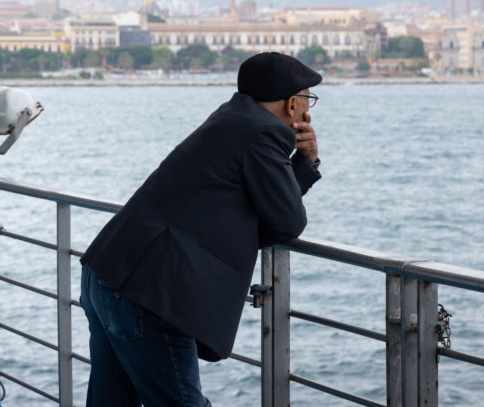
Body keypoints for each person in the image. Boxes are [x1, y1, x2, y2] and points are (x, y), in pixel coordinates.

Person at [80, 51, 322, 406]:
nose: (307, 109)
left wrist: (301, 166)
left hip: (109, 273)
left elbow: (261, 205)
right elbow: (288, 221)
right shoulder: (264, 133)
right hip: (149, 293)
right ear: (291, 104)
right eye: (307, 98)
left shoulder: (231, 119)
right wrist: (307, 161)